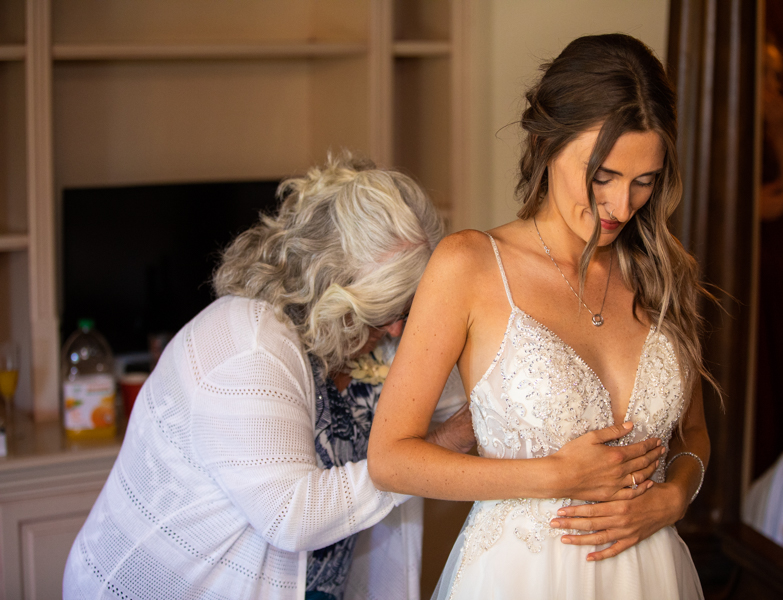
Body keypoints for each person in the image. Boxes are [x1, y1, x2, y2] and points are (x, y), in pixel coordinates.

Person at [368, 34, 714, 599]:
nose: (621, 207)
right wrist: (553, 476)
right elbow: (390, 460)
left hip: (653, 576)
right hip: (522, 578)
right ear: (547, 141)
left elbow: (693, 434)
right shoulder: (470, 266)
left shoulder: (666, 276)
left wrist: (676, 494)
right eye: (601, 177)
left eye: (643, 182)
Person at [62, 155, 473, 600]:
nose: (397, 329)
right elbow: (293, 517)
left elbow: (479, 401)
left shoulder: (380, 336)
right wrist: (436, 447)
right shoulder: (248, 345)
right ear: (327, 286)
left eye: (407, 309)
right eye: (381, 312)